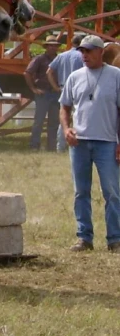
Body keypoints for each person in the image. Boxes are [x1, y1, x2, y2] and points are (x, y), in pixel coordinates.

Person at [59, 35, 120, 253]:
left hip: (108, 142)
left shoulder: (116, 76)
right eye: (82, 51)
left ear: (101, 52)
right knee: (80, 192)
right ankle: (84, 238)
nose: (84, 55)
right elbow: (64, 107)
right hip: (80, 143)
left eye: (89, 51)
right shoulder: (74, 77)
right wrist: (67, 129)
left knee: (112, 192)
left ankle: (115, 239)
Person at [47, 34, 85, 152]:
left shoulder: (62, 56)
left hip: (63, 89)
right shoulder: (82, 56)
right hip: (79, 90)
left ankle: (60, 147)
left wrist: (55, 87)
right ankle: (77, 146)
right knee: (79, 118)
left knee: (63, 119)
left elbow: (49, 72)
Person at [25, 35, 62, 151]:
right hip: (43, 93)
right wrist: (33, 89)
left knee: (54, 122)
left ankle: (51, 147)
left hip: (55, 93)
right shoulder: (39, 59)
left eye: (55, 46)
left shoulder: (59, 59)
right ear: (46, 47)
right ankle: (34, 145)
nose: (52, 48)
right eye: (50, 45)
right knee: (38, 122)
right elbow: (27, 73)